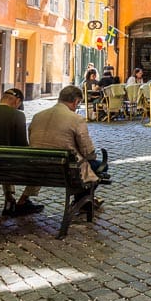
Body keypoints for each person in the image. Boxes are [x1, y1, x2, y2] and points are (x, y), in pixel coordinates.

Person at [28, 85, 106, 214]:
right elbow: (88, 151)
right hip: (65, 170)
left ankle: (83, 200)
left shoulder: (37, 116)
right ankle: (82, 200)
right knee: (100, 166)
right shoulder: (76, 119)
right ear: (75, 102)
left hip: (38, 166)